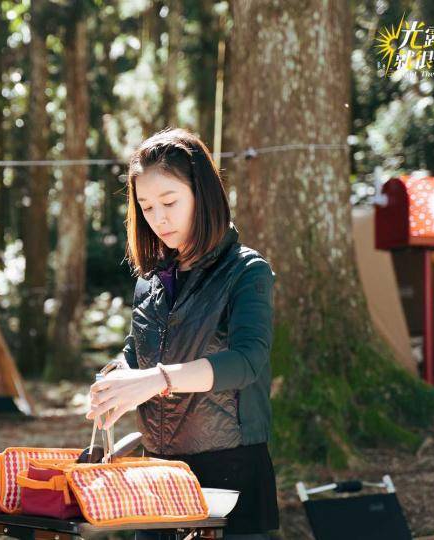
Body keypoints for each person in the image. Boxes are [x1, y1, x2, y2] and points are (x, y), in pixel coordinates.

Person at [86, 128, 279, 539]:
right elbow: (136, 355)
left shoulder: (247, 272)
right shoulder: (150, 281)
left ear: (203, 194)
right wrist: (114, 380)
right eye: (146, 206)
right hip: (158, 476)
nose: (159, 218)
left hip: (232, 473)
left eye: (169, 202)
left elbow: (247, 362)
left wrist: (159, 380)